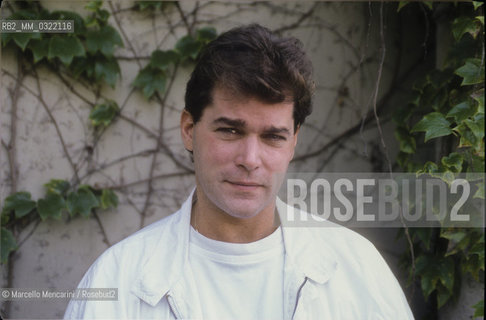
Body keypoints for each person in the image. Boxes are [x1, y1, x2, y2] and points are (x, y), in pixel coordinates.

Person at [64, 24, 414, 319]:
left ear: (293, 142)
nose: (250, 158)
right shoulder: (116, 280)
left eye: (273, 136)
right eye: (230, 130)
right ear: (189, 129)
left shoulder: (357, 268)